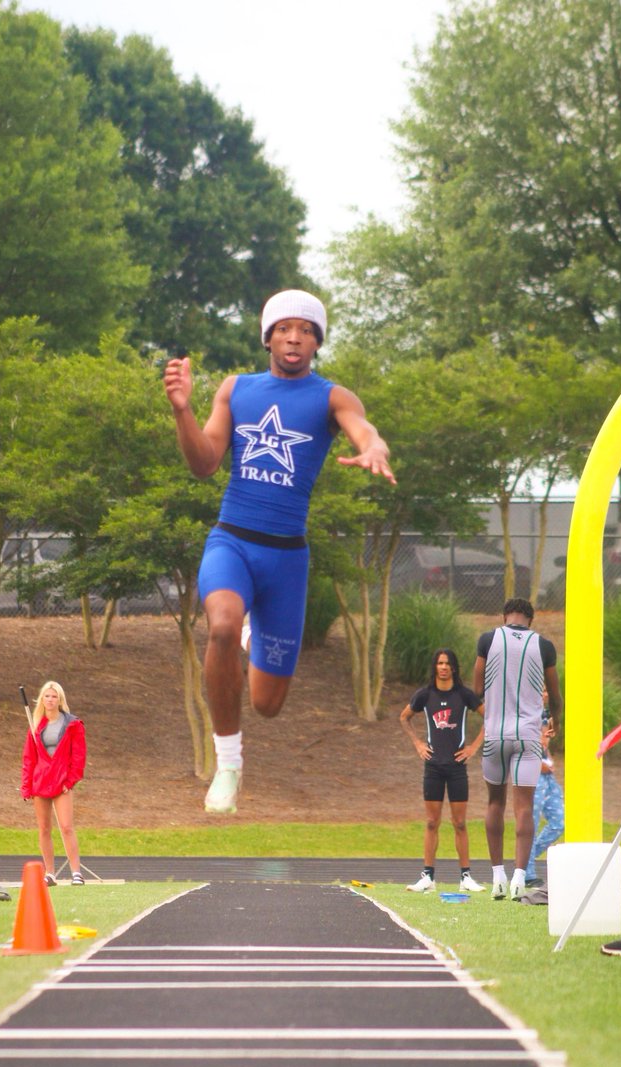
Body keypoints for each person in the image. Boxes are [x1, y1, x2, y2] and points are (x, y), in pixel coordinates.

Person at [163, 289, 395, 814]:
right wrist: (183, 412)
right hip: (232, 540)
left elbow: (363, 430)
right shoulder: (236, 389)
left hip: (287, 560)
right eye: (285, 328)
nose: (295, 337)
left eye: (307, 330)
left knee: (268, 704)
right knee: (219, 624)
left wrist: (374, 447)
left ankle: (251, 631)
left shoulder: (332, 396)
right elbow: (203, 464)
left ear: (317, 342)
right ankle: (228, 765)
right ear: (268, 336)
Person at [473, 598, 562, 901]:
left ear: (504, 615)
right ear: (530, 620)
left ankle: (497, 876)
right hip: (527, 736)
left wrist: (489, 713)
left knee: (494, 802)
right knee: (524, 806)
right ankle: (520, 878)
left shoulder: (488, 639)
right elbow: (556, 693)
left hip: (496, 735)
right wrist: (556, 722)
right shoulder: (544, 646)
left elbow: (475, 691)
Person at [399, 647, 485, 893]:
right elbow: (404, 717)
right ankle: (427, 877)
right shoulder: (425, 695)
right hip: (433, 768)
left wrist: (473, 747)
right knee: (431, 822)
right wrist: (417, 743)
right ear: (435, 667)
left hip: (457, 768)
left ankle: (466, 877)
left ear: (454, 667)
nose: (444, 667)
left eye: (448, 663)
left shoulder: (464, 695)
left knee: (459, 823)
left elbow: (489, 718)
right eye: (440, 663)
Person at [21, 680, 86, 885]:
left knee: (66, 826)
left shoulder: (72, 724)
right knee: (44, 828)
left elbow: (78, 755)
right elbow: (29, 758)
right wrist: (26, 786)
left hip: (62, 782)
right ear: (42, 699)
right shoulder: (35, 725)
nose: (50, 700)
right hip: (40, 782)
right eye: (47, 696)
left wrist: (71, 779)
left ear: (60, 700)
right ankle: (50, 873)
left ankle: (76, 872)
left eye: (54, 696)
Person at [524, 688, 565, 886]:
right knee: (531, 822)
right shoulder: (527, 714)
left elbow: (544, 743)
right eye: (540, 690)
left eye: (547, 690)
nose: (545, 694)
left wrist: (548, 758)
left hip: (547, 774)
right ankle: (527, 871)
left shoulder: (546, 715)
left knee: (559, 822)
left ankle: (524, 859)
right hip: (533, 774)